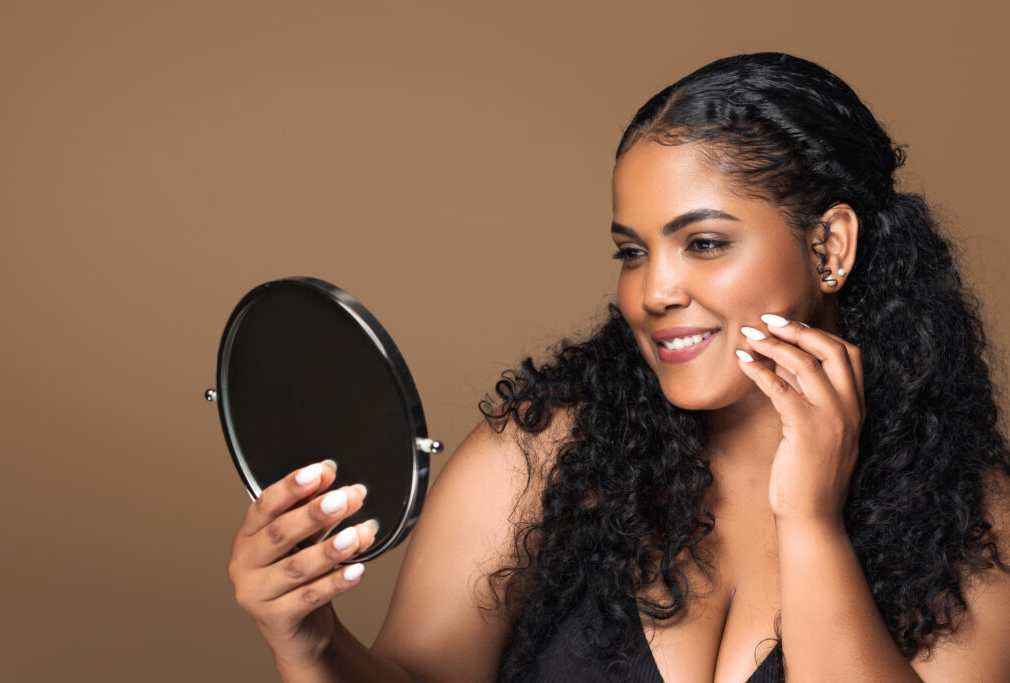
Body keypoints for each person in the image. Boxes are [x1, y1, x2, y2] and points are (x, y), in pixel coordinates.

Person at [227, 52, 1010, 682]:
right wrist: (311, 642)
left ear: (829, 246)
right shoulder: (540, 453)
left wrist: (811, 522)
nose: (653, 292)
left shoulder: (973, 518)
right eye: (632, 252)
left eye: (704, 243)